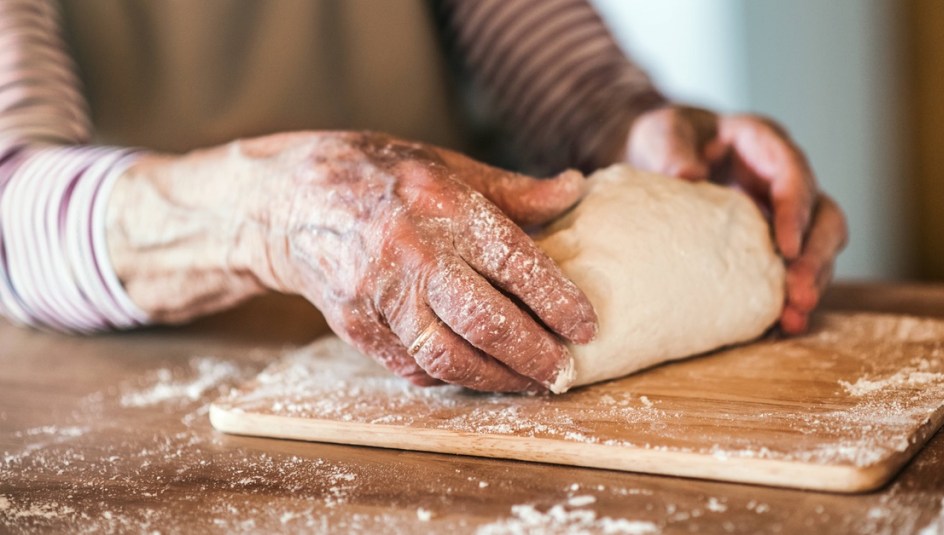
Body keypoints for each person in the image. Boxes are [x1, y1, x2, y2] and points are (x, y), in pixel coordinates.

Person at [0, 0, 846, 392]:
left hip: (456, 343)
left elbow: (554, 61)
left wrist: (643, 134)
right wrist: (270, 211)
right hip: (135, 386)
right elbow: (11, 201)